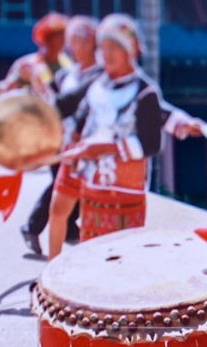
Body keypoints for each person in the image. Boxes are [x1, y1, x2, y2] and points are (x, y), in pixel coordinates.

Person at [47, 15, 166, 255]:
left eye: (115, 47)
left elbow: (151, 144)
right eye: (104, 47)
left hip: (123, 182)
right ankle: (55, 271)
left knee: (121, 248)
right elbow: (74, 112)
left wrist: (103, 149)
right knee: (88, 240)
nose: (107, 54)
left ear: (131, 50)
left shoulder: (145, 92)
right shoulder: (98, 84)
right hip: (91, 176)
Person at [19, 16, 96, 254]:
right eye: (71, 41)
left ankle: (68, 228)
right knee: (62, 185)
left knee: (73, 186)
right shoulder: (62, 72)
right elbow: (51, 101)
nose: (70, 46)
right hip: (60, 138)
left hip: (80, 139)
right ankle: (32, 227)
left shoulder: (82, 71)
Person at [0, 13, 72, 100]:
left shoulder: (67, 63)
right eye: (55, 38)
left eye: (62, 38)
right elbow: (7, 89)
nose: (60, 43)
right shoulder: (28, 64)